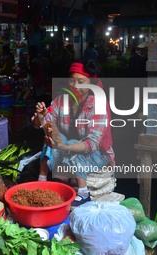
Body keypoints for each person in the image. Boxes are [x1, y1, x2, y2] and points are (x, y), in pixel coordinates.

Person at [31, 61, 115, 208]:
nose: (75, 85)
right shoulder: (61, 101)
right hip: (69, 146)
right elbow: (44, 124)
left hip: (97, 153)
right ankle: (42, 180)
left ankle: (83, 193)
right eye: (72, 80)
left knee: (70, 144)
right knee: (51, 137)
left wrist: (64, 146)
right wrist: (42, 116)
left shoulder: (98, 105)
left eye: (81, 81)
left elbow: (92, 143)